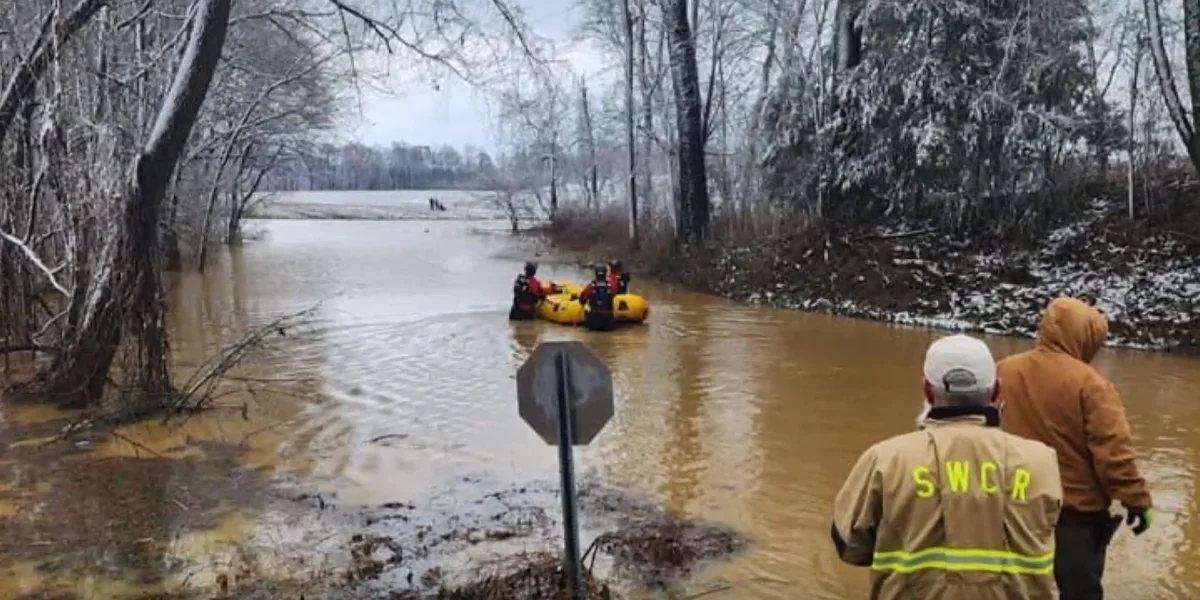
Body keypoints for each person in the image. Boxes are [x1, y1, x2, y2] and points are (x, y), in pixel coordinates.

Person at [832, 334, 1063, 600]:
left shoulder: (885, 460)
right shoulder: (1042, 462)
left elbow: (850, 546)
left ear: (927, 391)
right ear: (997, 391)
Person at [997, 296, 1153, 600]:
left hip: (1011, 509)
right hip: (1074, 517)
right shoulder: (1091, 385)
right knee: (1080, 593)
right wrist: (1138, 502)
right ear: (1087, 338)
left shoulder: (1002, 370)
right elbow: (1114, 455)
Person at [578, 266, 616, 331]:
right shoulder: (611, 286)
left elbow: (582, 300)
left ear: (596, 274)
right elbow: (615, 294)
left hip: (594, 321)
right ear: (605, 274)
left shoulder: (590, 286)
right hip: (608, 322)